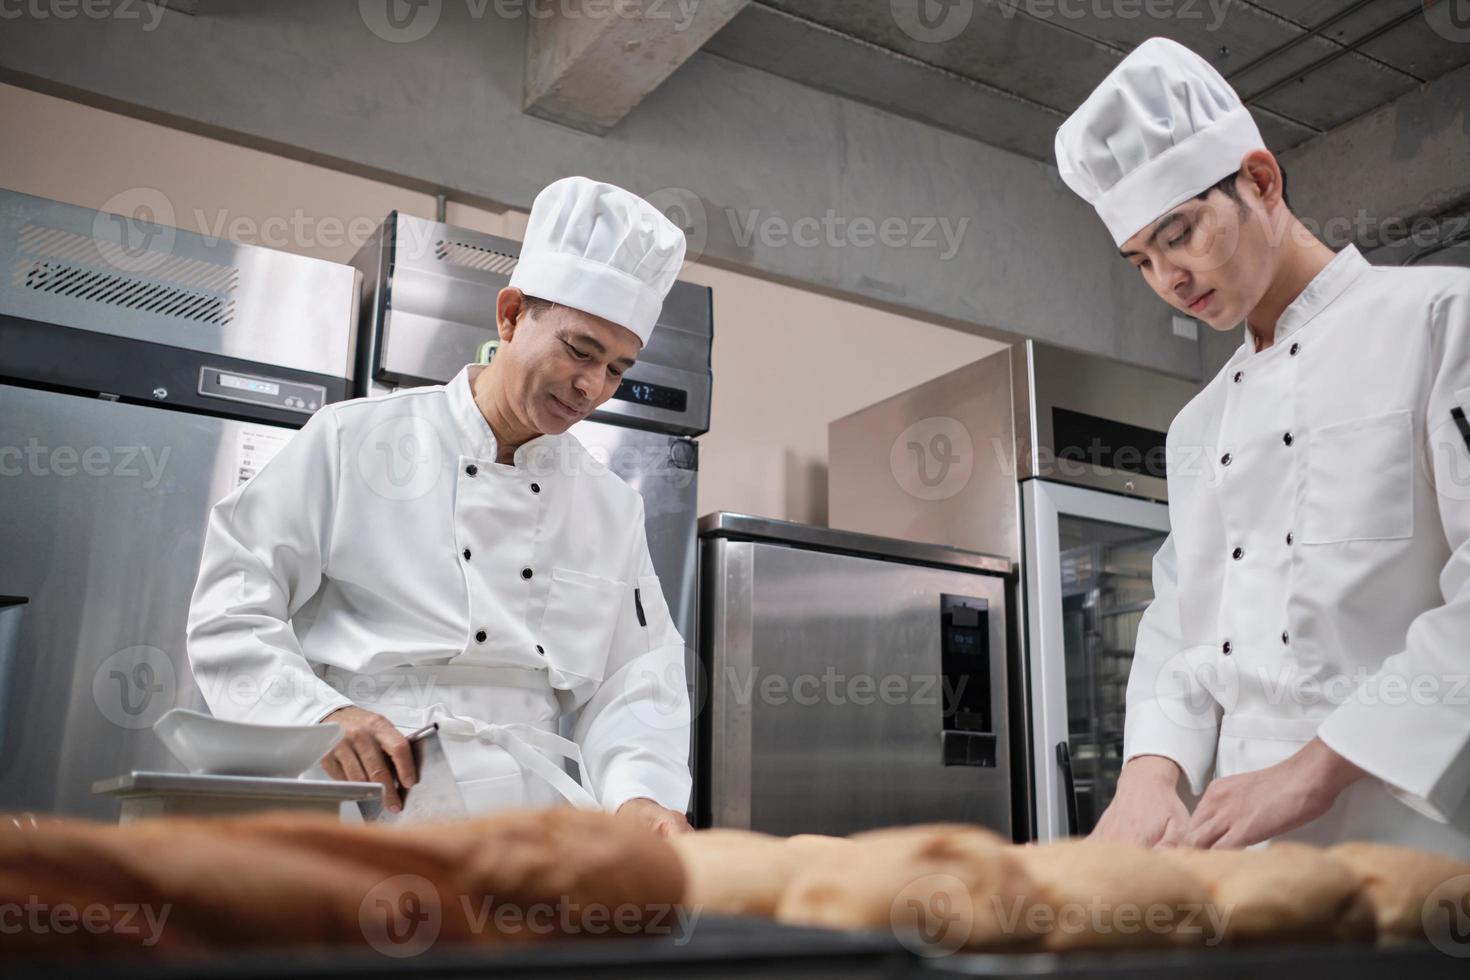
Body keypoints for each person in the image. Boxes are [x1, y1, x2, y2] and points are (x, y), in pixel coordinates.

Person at [1054, 38, 1470, 854]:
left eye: (1181, 233)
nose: (1168, 278)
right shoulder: (1198, 427)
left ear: (1262, 182)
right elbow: (1180, 622)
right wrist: (1150, 773)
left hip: (1413, 837)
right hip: (1236, 843)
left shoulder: (1443, 320)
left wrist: (1314, 770)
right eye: (1141, 259)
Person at [187, 176, 693, 836]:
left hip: (525, 824)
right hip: (362, 801)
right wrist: (317, 715)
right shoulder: (352, 441)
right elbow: (233, 605)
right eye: (580, 350)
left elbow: (636, 679)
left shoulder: (610, 506)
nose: (591, 386)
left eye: (618, 369)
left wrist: (640, 797)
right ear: (510, 315)